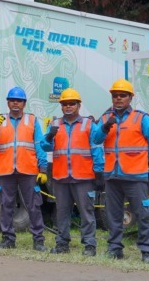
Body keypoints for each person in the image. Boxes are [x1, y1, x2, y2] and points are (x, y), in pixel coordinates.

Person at [93, 79, 149, 263]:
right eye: (115, 95)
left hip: (135, 176)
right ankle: (115, 249)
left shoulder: (141, 118)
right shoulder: (106, 118)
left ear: (130, 97)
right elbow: (95, 139)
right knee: (113, 215)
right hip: (112, 176)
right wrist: (106, 127)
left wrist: (141, 160)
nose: (118, 98)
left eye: (122, 95)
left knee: (143, 215)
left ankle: (146, 252)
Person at [40, 88, 104, 256]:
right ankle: (62, 244)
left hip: (84, 177)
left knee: (87, 213)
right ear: (61, 106)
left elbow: (97, 148)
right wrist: (48, 138)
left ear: (78, 105)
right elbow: (45, 147)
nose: (68, 107)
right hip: (61, 177)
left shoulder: (88, 124)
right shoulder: (54, 125)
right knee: (61, 213)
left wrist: (99, 172)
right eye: (65, 104)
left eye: (71, 104)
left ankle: (89, 246)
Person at [0, 87, 48, 251]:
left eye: (19, 100)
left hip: (28, 170)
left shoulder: (32, 120)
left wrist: (43, 168)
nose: (16, 103)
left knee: (33, 206)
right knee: (6, 205)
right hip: (7, 170)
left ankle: (38, 241)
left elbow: (40, 145)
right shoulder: (0, 121)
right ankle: (8, 239)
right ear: (8, 102)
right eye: (12, 100)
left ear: (24, 103)